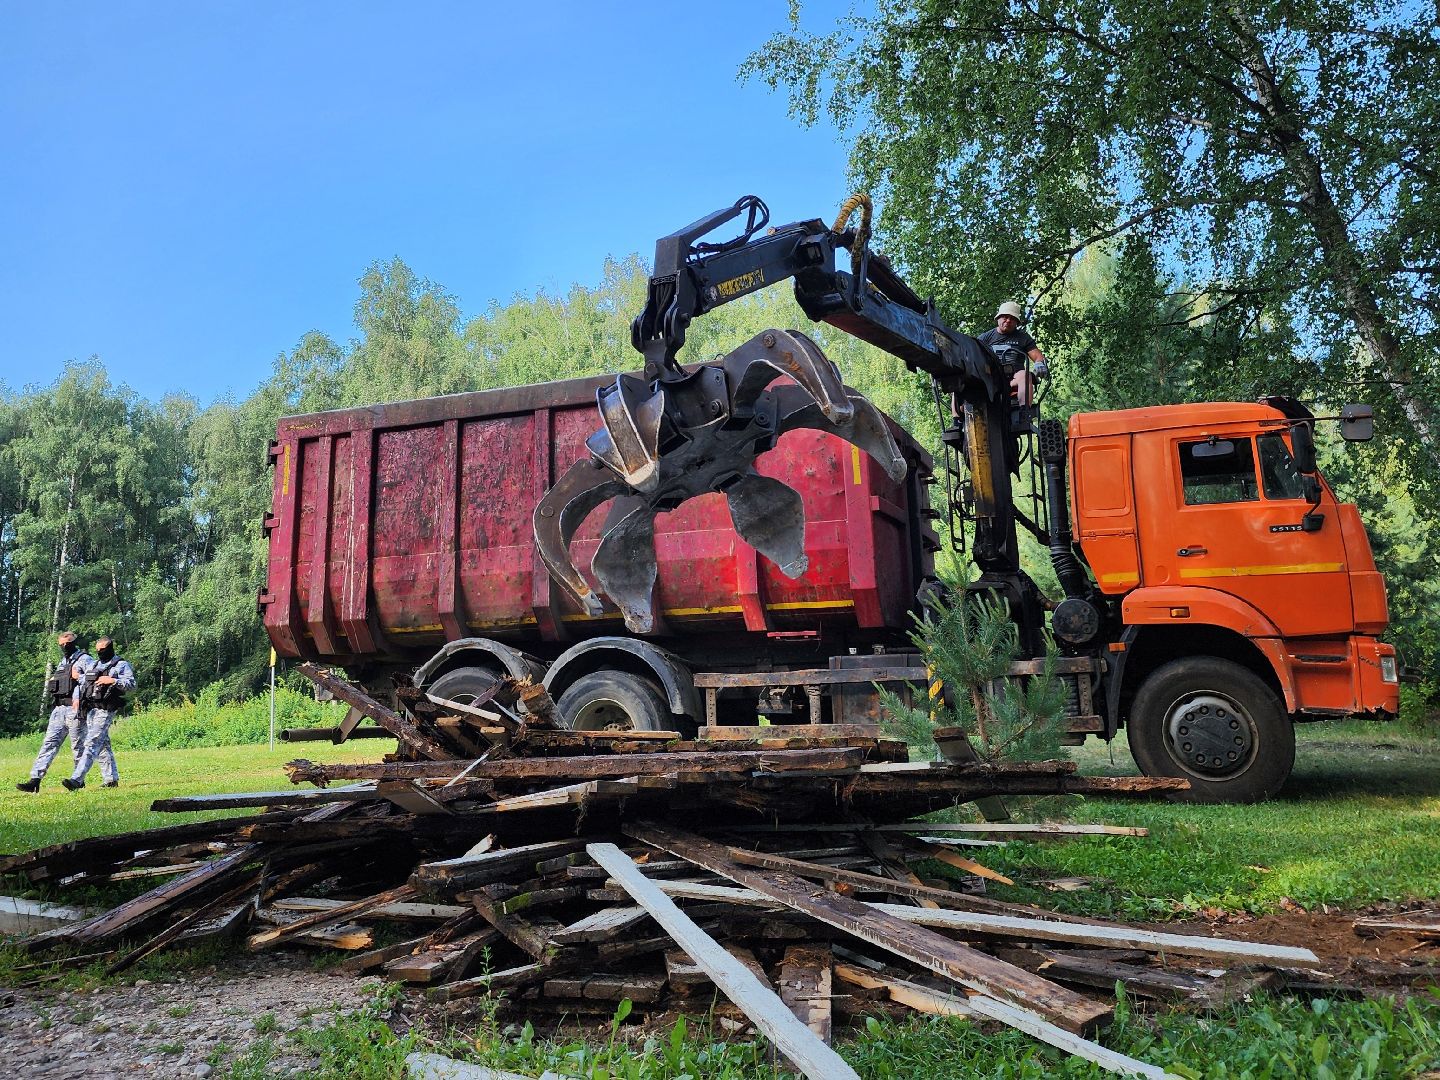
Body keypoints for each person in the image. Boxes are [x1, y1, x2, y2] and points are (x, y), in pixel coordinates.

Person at [14, 631, 91, 793]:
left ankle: (78, 780)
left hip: (75, 709)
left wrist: (79, 678)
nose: (64, 647)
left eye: (67, 643)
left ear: (74, 642)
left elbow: (93, 681)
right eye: (61, 645)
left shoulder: (85, 659)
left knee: (78, 746)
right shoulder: (63, 662)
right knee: (48, 744)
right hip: (59, 709)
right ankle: (35, 780)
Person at [62, 635, 132, 791]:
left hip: (106, 708)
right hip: (91, 709)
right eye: (98, 650)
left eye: (103, 650)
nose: (100, 652)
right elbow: (85, 681)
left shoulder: (120, 665)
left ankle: (77, 779)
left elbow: (131, 684)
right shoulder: (94, 664)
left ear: (110, 648)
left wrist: (113, 681)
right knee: (102, 745)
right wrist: (77, 682)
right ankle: (111, 779)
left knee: (92, 742)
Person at [978, 301, 1048, 406]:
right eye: (1005, 317)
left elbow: (1038, 356)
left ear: (1017, 322)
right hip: (991, 380)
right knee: (960, 380)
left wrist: (1040, 363)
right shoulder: (985, 338)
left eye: (1012, 318)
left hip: (1014, 379)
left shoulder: (1023, 338)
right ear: (998, 318)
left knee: (1025, 375)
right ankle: (958, 420)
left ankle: (1023, 415)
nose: (1008, 320)